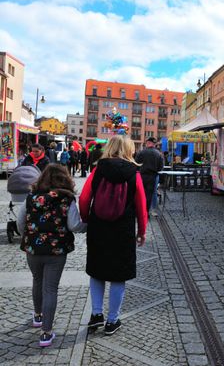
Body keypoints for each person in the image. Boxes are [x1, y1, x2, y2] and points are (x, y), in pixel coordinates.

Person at [79, 135, 147, 336]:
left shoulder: (97, 170)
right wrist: (141, 231)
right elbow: (141, 206)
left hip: (99, 226)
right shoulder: (134, 173)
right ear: (129, 149)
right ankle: (112, 320)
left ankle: (96, 314)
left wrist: (86, 218)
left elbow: (84, 199)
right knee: (119, 275)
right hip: (123, 229)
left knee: (97, 271)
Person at [18, 164, 85, 347]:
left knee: (37, 281)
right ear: (65, 178)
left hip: (33, 249)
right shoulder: (67, 199)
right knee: (50, 289)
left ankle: (38, 316)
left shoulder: (31, 197)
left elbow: (20, 222)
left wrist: (29, 236)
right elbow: (74, 225)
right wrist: (85, 226)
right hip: (56, 252)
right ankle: (46, 333)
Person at [135, 137, 164, 217]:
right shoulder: (159, 154)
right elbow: (161, 167)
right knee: (150, 194)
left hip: (141, 176)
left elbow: (136, 164)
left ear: (147, 143)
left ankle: (139, 212)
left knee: (140, 194)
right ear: (154, 144)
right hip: (153, 176)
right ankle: (146, 212)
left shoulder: (141, 152)